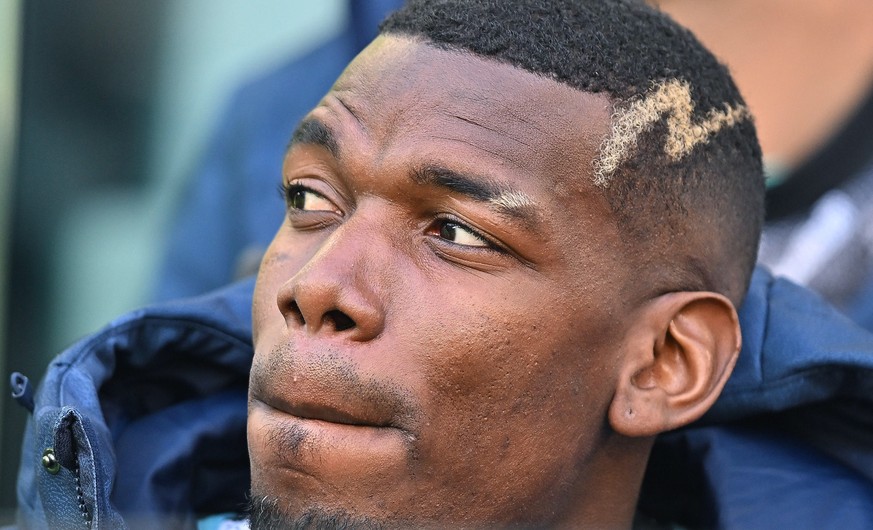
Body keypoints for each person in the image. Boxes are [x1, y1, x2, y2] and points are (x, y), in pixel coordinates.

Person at [11, 0, 873, 528]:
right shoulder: (300, 91)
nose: (315, 288)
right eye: (308, 199)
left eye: (458, 233)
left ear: (666, 362)